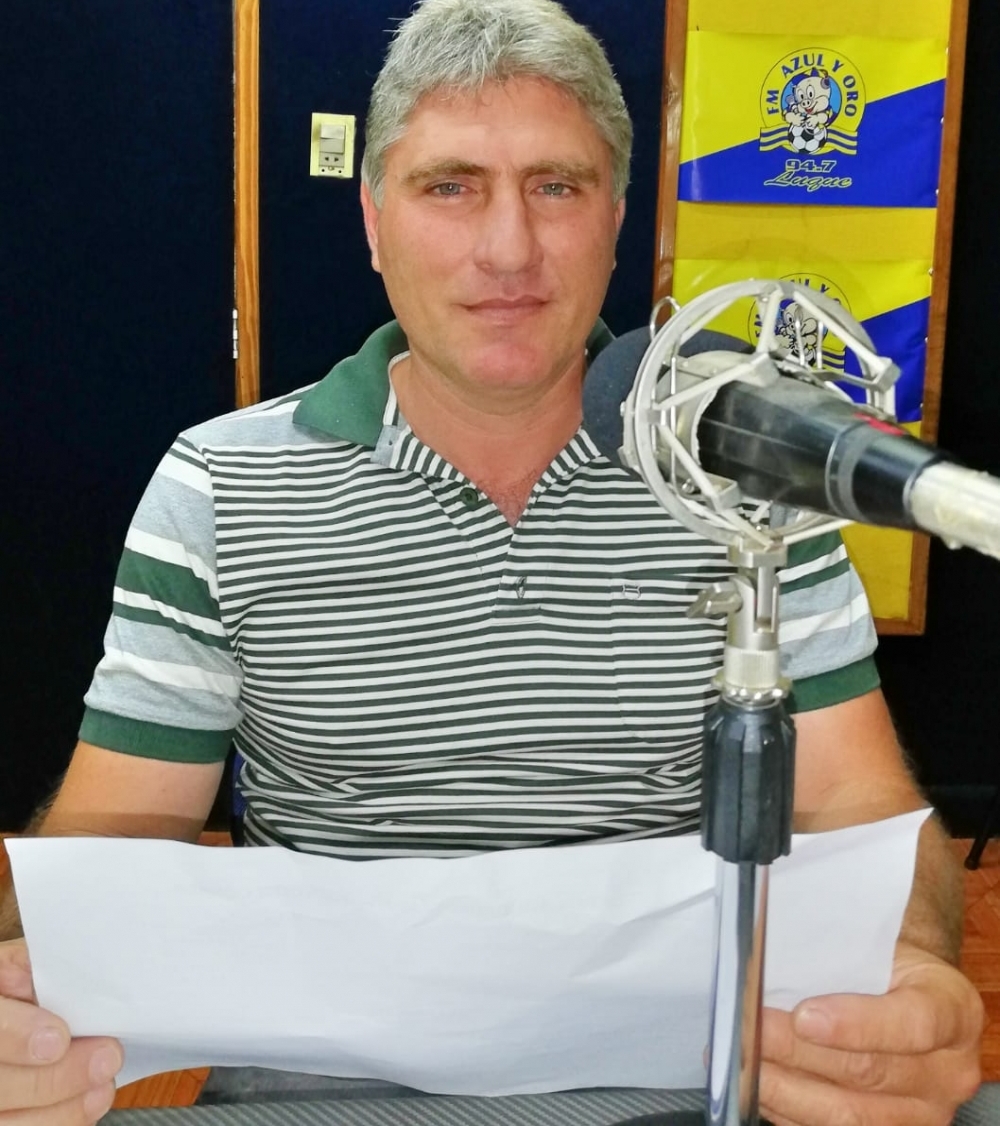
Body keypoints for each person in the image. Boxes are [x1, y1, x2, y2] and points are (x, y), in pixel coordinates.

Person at [0, 0, 984, 1123]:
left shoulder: (743, 482)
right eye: (450, 186)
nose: (508, 248)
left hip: (682, 1084)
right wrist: (24, 992)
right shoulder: (220, 487)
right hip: (321, 1100)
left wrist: (913, 966)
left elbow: (858, 801)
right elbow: (117, 835)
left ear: (616, 217)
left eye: (556, 187)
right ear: (374, 221)